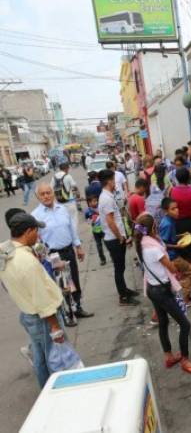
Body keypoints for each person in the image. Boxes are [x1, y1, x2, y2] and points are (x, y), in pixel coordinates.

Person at [0, 213, 68, 388]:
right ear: (28, 231)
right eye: (36, 231)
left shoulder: (4, 252)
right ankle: (55, 391)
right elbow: (42, 299)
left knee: (40, 357)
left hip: (27, 312)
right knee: (53, 358)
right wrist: (55, 327)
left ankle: (46, 390)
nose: (38, 236)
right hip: (42, 318)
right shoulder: (26, 262)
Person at [133, 212, 191, 375]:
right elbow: (171, 267)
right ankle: (185, 359)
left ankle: (168, 356)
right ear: (152, 228)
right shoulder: (153, 248)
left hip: (152, 288)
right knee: (184, 324)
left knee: (163, 323)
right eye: (155, 225)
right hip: (162, 291)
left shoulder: (141, 243)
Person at [32, 183, 94, 321]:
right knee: (61, 285)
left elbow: (71, 229)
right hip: (52, 256)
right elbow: (35, 240)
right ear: (38, 196)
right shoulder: (35, 216)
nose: (46, 196)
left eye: (49, 192)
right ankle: (66, 314)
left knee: (74, 280)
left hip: (68, 251)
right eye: (43, 194)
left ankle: (77, 308)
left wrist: (78, 246)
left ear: (53, 193)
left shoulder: (63, 209)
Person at [98, 169, 140, 306]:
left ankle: (124, 290)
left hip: (116, 238)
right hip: (114, 239)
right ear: (109, 181)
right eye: (114, 180)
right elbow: (110, 221)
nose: (115, 183)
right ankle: (123, 297)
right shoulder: (106, 198)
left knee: (121, 268)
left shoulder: (108, 196)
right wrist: (120, 238)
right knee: (119, 268)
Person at [159, 198, 191, 307]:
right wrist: (178, 245)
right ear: (166, 211)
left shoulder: (169, 220)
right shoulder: (167, 224)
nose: (177, 211)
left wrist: (180, 236)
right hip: (172, 256)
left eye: (177, 208)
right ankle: (185, 299)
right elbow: (163, 244)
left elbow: (169, 238)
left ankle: (183, 295)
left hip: (172, 255)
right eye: (173, 209)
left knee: (184, 273)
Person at [170, 167, 191, 269]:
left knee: (183, 248)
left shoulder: (173, 191)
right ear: (188, 177)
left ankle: (188, 275)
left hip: (178, 223)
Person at [53, 162, 79, 228]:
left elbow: (51, 189)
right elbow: (74, 186)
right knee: (73, 220)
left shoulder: (54, 177)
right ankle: (74, 236)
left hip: (60, 203)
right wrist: (78, 194)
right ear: (66, 168)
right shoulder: (68, 176)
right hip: (70, 202)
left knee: (64, 220)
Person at [85, 195, 106, 266]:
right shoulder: (87, 211)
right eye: (94, 201)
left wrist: (95, 211)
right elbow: (87, 220)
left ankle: (112, 257)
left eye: (96, 201)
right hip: (95, 231)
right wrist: (91, 221)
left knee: (107, 244)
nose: (95, 202)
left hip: (103, 229)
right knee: (99, 246)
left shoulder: (100, 207)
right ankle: (102, 259)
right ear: (89, 203)